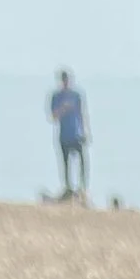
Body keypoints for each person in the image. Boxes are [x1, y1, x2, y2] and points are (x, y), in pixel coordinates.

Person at [49, 69, 90, 202]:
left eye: (67, 79)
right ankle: (68, 188)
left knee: (83, 162)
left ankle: (82, 188)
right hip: (64, 135)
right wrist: (63, 108)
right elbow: (53, 117)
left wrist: (85, 131)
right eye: (64, 80)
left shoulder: (76, 95)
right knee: (66, 163)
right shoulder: (56, 96)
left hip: (76, 134)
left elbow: (82, 113)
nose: (66, 82)